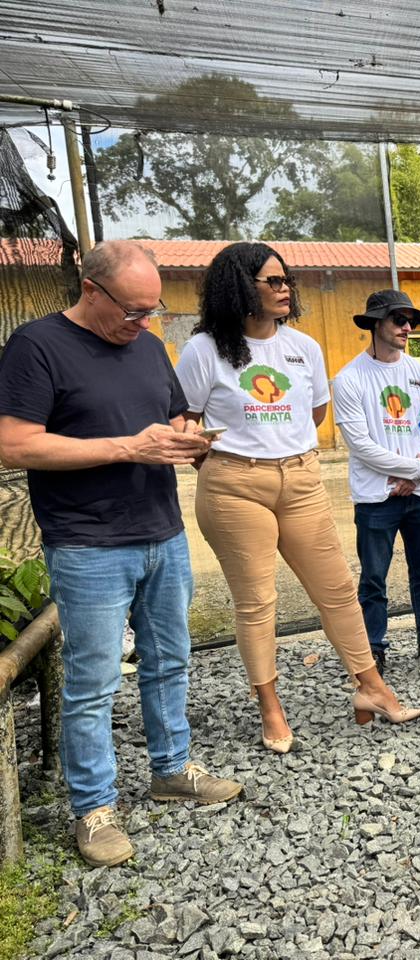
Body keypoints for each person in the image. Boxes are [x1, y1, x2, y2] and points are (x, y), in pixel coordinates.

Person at [0, 240, 242, 868]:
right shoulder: (36, 347)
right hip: (87, 543)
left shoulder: (146, 347)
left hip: (162, 532)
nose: (141, 322)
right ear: (90, 290)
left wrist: (191, 441)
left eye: (150, 310)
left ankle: (171, 769)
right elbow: (16, 445)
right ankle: (95, 809)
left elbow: (169, 421)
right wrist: (127, 449)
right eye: (132, 310)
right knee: (94, 682)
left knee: (169, 661)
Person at [176, 242, 420, 755]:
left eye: (286, 279)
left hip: (302, 479)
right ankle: (270, 707)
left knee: (337, 590)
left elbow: (312, 415)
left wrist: (282, 449)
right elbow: (187, 422)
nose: (285, 288)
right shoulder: (204, 350)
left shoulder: (304, 347)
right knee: (257, 601)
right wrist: (221, 459)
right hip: (235, 486)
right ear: (240, 287)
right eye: (272, 281)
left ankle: (372, 688)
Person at [332, 289, 420, 677]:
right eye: (398, 319)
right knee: (373, 577)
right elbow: (359, 444)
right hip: (377, 496)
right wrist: (415, 469)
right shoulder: (349, 379)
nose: (407, 327)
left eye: (410, 320)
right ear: (375, 324)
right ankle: (372, 648)